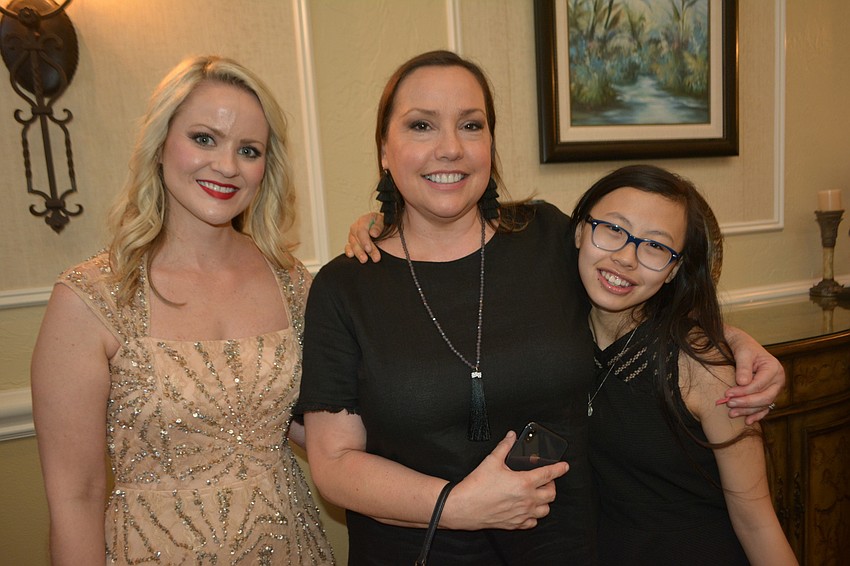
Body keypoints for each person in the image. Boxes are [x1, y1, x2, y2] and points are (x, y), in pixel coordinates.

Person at [298, 50, 783, 565]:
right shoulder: (344, 287)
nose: (450, 148)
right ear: (384, 149)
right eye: (421, 125)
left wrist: (729, 341)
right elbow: (334, 463)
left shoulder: (546, 237)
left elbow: (633, 296)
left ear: (490, 144)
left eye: (471, 125)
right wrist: (457, 505)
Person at [31, 55, 335, 565]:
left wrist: (390, 243)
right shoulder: (93, 297)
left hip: (290, 548)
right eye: (204, 139)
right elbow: (75, 498)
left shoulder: (292, 282)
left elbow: (319, 429)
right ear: (160, 144)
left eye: (249, 150)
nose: (227, 166)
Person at [570, 164, 796, 565]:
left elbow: (757, 523)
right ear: (579, 231)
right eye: (613, 229)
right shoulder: (558, 336)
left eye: (655, 247)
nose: (625, 258)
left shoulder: (703, 368)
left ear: (674, 269)